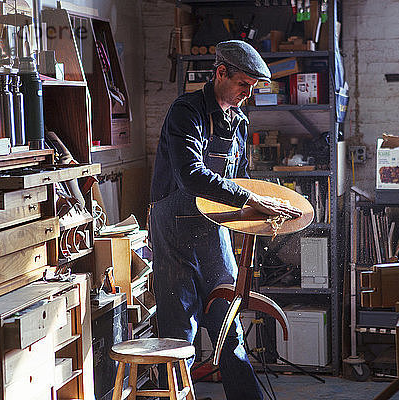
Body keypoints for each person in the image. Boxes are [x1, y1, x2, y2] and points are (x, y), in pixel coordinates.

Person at [149, 40, 301, 400]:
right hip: (174, 229)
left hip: (213, 233)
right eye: (243, 85)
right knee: (178, 334)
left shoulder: (239, 122)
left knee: (229, 331)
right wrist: (250, 199)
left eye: (252, 88)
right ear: (220, 73)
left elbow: (241, 179)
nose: (248, 94)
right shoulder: (186, 112)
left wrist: (267, 212)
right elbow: (190, 174)